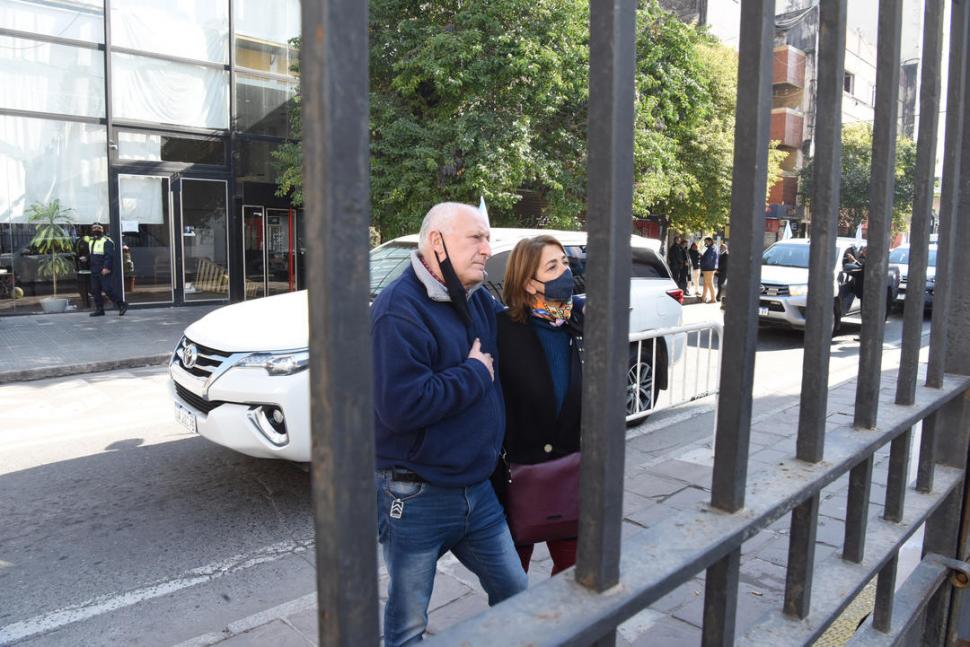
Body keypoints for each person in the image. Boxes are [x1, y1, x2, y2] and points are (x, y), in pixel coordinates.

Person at [371, 202, 528, 646]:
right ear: (436, 243)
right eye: (475, 238)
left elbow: (517, 334)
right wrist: (474, 373)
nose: (487, 248)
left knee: (516, 592)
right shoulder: (397, 311)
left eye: (487, 238)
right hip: (415, 495)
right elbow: (401, 407)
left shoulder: (476, 297)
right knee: (407, 626)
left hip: (476, 491)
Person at [495, 235, 584, 576]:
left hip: (570, 475)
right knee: (511, 585)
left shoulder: (577, 323)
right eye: (552, 266)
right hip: (518, 477)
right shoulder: (502, 329)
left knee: (573, 574)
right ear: (529, 283)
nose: (565, 271)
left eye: (564, 262)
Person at [88, 222, 128, 317]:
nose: (96, 230)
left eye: (98, 228)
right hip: (94, 269)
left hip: (104, 269)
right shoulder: (91, 241)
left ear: (102, 230)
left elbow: (109, 256)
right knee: (95, 290)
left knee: (107, 289)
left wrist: (106, 267)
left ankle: (122, 305)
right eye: (94, 228)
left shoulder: (107, 241)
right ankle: (99, 309)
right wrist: (86, 258)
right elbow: (92, 254)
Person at [75, 227, 93, 310]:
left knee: (88, 286)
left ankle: (88, 304)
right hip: (84, 267)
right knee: (85, 286)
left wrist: (85, 257)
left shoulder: (80, 241)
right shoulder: (79, 241)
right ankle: (87, 304)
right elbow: (76, 254)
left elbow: (76, 254)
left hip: (89, 267)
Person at [700, 237, 718, 304]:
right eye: (705, 241)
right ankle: (703, 298)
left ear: (710, 241)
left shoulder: (711, 248)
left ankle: (713, 299)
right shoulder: (711, 248)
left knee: (709, 284)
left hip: (708, 269)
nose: (705, 243)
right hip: (708, 268)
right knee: (706, 284)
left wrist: (702, 261)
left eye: (706, 241)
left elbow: (708, 259)